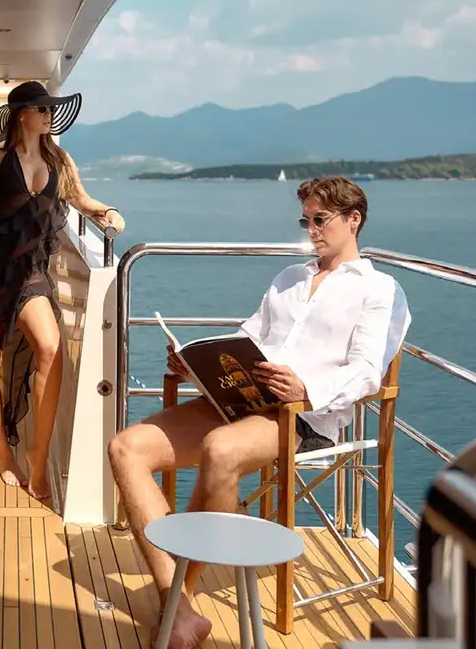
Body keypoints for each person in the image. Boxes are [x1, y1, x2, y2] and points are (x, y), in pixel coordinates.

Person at [107, 176, 409, 648]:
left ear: (354, 219)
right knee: (126, 448)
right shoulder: (289, 279)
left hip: (302, 414)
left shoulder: (378, 289)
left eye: (320, 219)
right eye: (306, 221)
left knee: (221, 449)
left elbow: (368, 371)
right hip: (242, 398)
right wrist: (193, 364)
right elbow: (249, 336)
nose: (311, 230)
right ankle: (177, 603)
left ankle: (179, 600)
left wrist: (306, 388)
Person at [0, 81, 125, 501]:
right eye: (43, 109)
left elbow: (82, 200)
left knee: (50, 348)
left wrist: (108, 212)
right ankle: (3, 455)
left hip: (31, 272)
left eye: (51, 110)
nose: (50, 116)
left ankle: (38, 455)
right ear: (22, 115)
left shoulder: (60, 160)